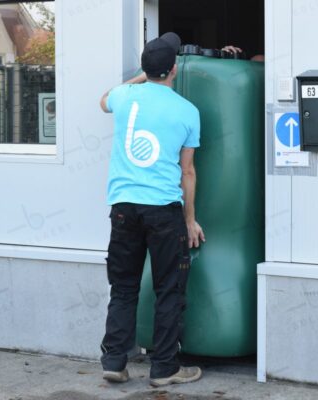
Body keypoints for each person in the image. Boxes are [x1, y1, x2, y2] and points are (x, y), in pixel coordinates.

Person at [98, 32, 206, 387]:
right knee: (169, 290)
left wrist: (142, 77)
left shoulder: (125, 97)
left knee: (124, 287)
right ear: (174, 69)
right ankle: (164, 369)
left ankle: (114, 361)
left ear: (145, 69)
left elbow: (103, 101)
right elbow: (187, 171)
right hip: (163, 209)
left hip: (123, 209)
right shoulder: (187, 111)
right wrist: (189, 220)